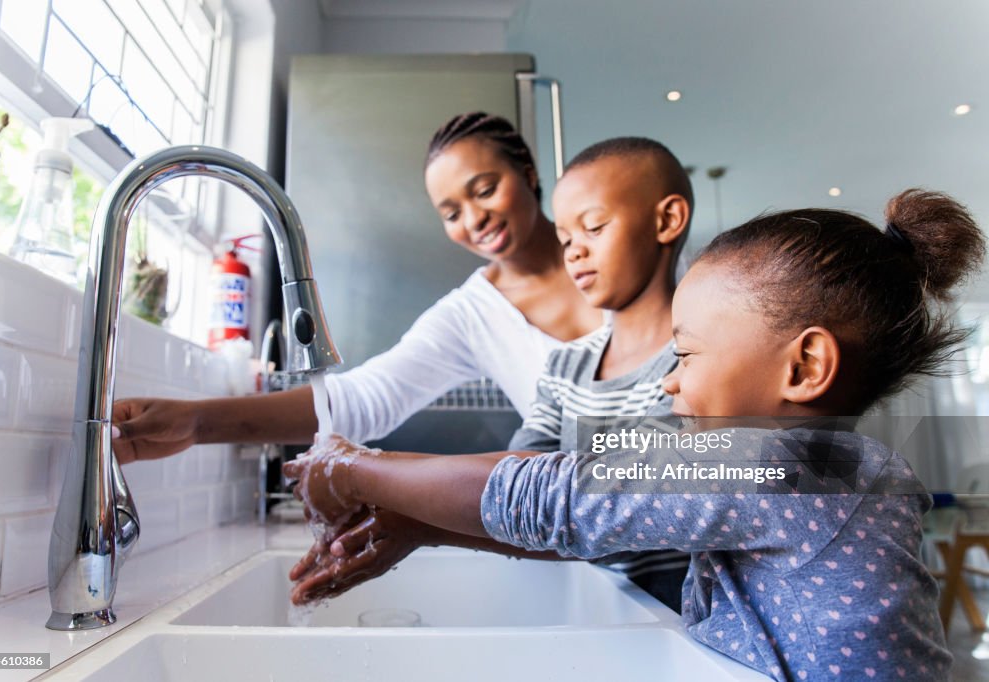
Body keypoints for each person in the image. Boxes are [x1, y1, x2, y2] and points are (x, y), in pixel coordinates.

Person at [285, 189, 984, 680]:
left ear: (803, 366)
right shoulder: (826, 471)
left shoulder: (789, 465)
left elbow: (558, 495)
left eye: (686, 354)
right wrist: (422, 526)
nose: (672, 380)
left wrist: (353, 467)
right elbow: (604, 522)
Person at [293, 137, 694, 611]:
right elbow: (524, 485)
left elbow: (605, 508)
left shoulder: (696, 365)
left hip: (687, 632)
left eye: (595, 228)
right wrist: (417, 523)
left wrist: (360, 472)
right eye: (566, 238)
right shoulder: (567, 367)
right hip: (615, 612)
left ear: (667, 220)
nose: (574, 253)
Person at [110, 112, 601, 462]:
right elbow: (364, 399)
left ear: (529, 174)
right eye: (451, 213)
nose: (474, 219)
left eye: (485, 189)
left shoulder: (611, 247)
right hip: (613, 548)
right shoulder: (471, 315)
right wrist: (197, 422)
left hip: (669, 501)